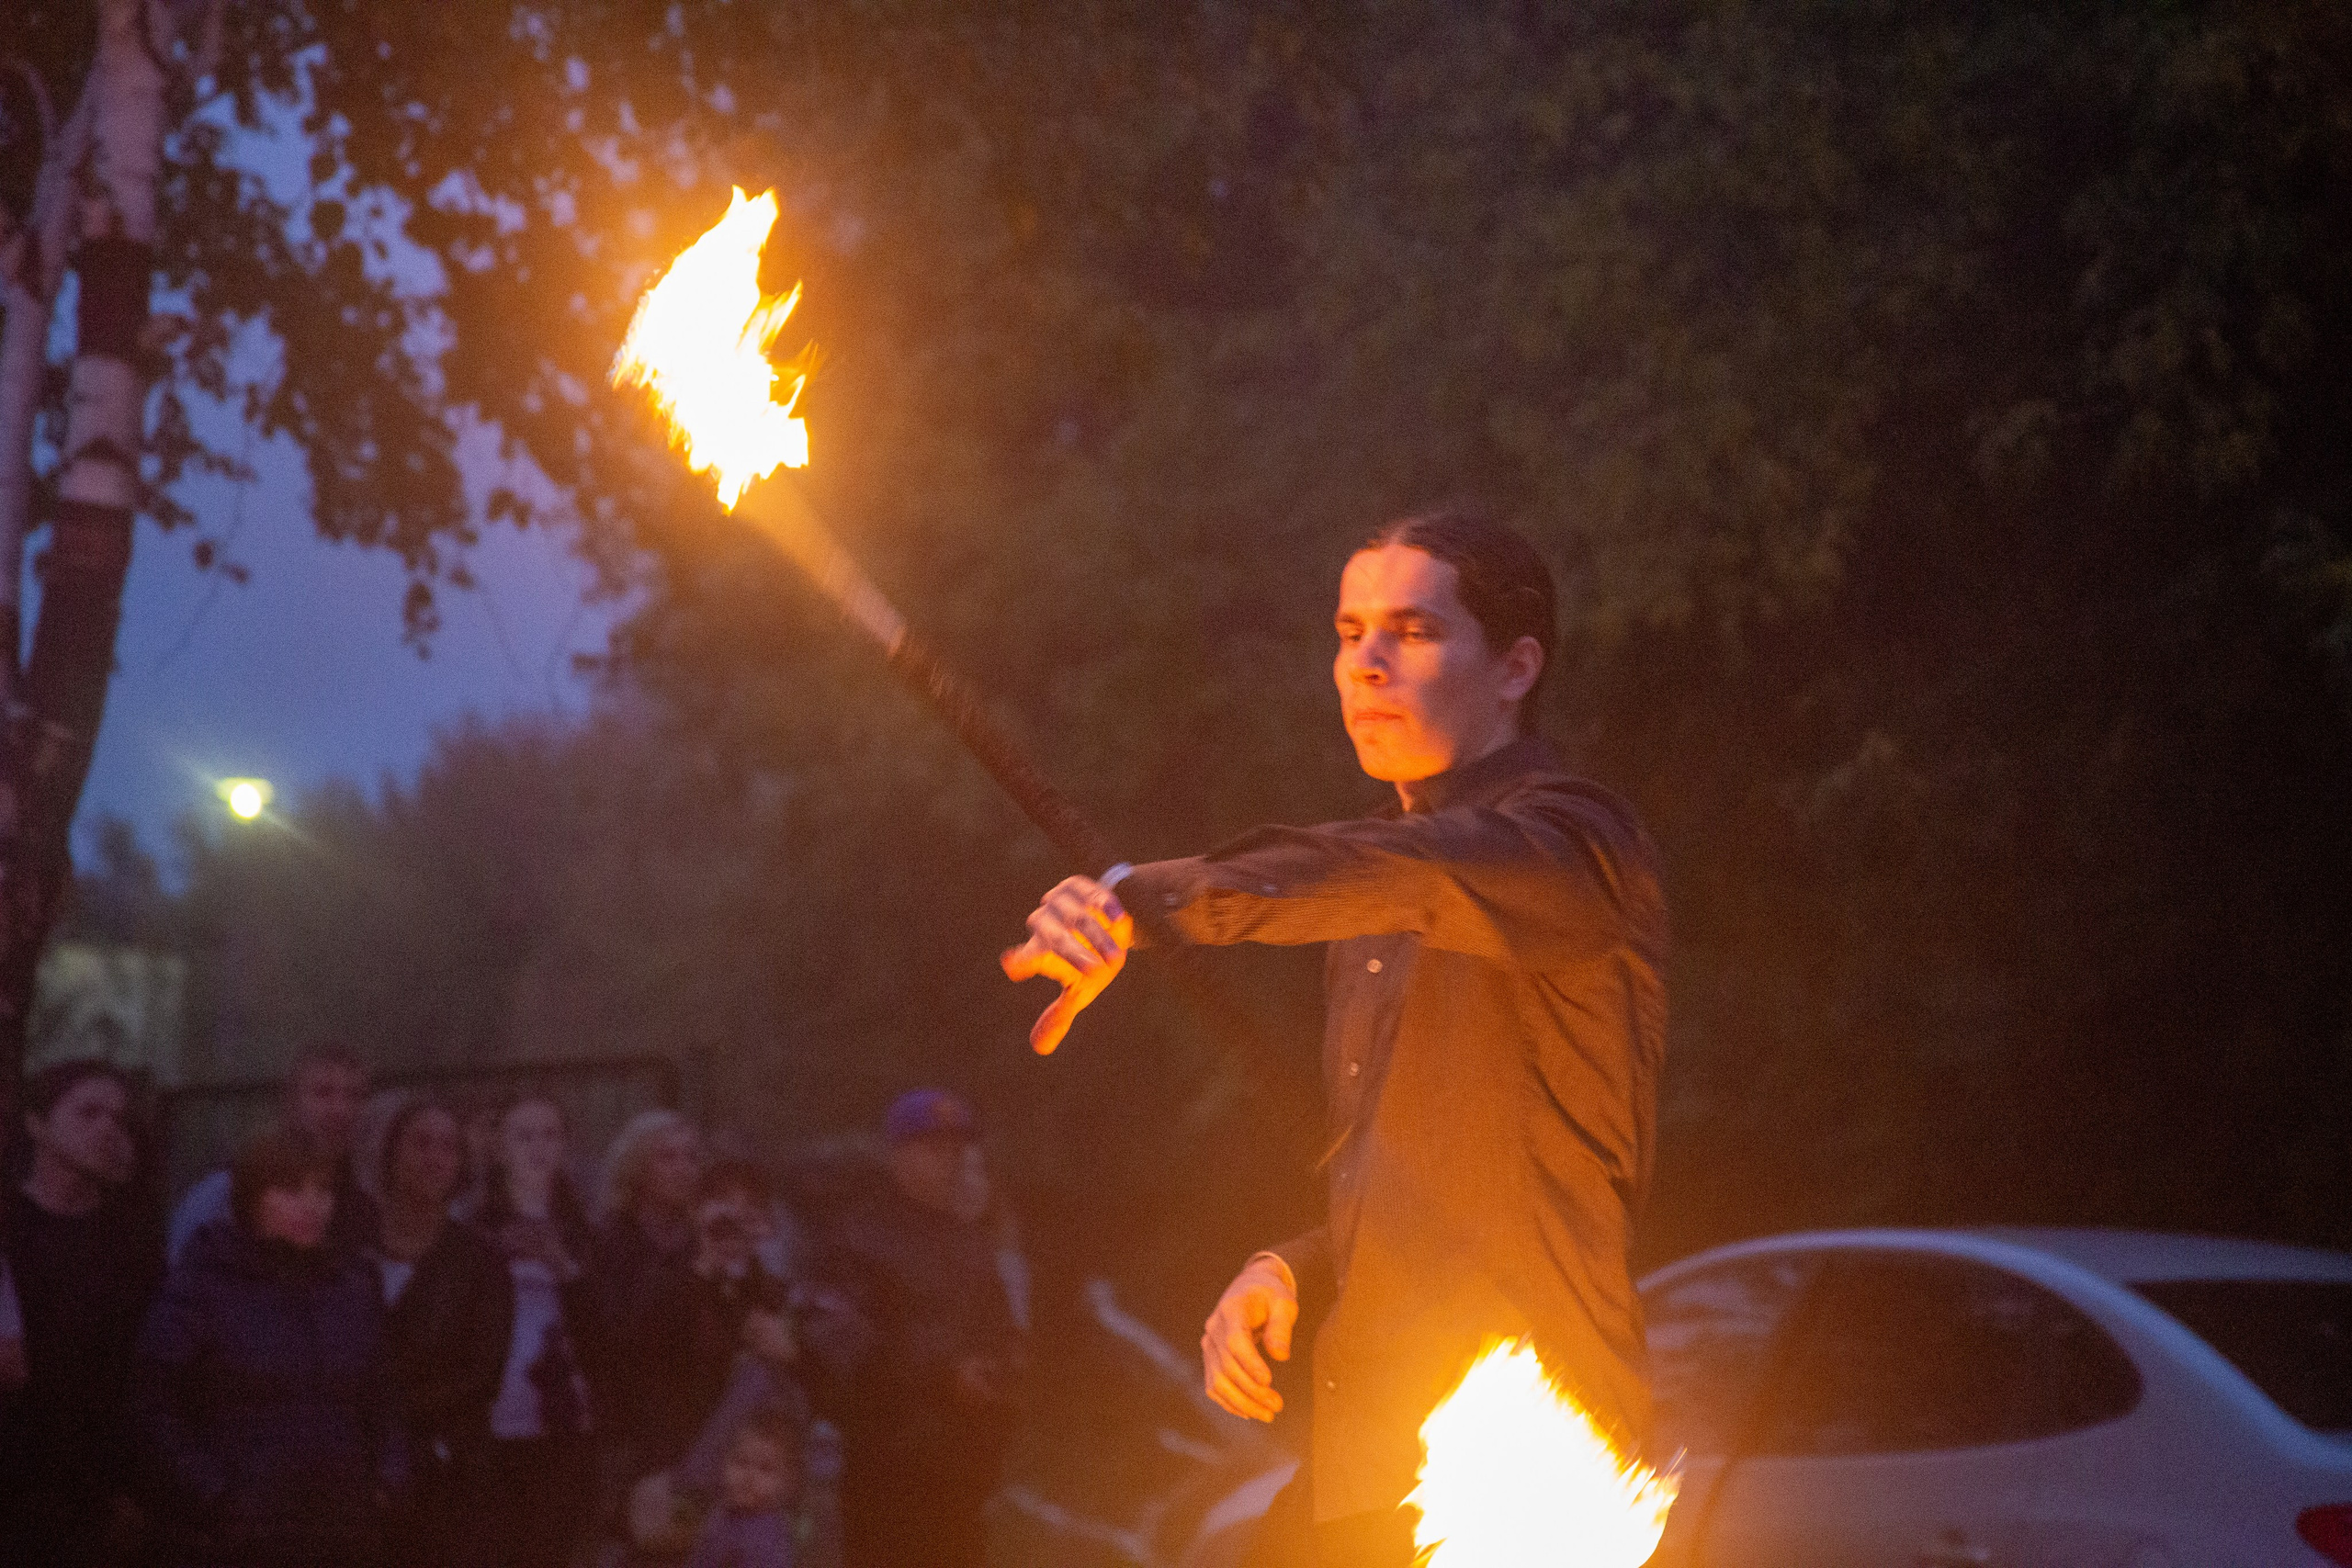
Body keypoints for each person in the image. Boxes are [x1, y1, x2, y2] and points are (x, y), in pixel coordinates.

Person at [1001, 506, 1669, 1566]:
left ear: (1515, 667)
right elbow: (1421, 1191)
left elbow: (1415, 872)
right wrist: (1295, 1266)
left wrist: (1149, 899)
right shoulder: (1367, 912)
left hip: (1532, 1485)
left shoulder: (1574, 849)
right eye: (1347, 631)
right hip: (1377, 1462)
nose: (1363, 664)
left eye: (1410, 631)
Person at [135, 1127, 400, 1568]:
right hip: (243, 1536)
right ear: (253, 1197)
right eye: (291, 1189)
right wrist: (216, 1495)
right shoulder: (203, 1282)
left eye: (323, 1190)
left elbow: (383, 1394)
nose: (313, 1205)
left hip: (344, 1528)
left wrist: (389, 1479)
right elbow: (154, 1404)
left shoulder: (353, 1284)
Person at [812, 1089, 1025, 1568]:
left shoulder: (969, 1236)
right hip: (888, 1462)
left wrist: (1000, 1371)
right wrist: (944, 1375)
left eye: (956, 1150)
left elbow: (996, 1324)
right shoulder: (856, 1236)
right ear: (897, 1155)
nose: (948, 1161)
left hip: (962, 1461)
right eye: (934, 1148)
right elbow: (847, 1346)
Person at [0, 1059, 164, 1567]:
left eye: (117, 1118)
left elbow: (148, 1370)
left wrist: (134, 1486)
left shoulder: (133, 1238)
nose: (107, 1129)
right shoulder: (8, 1223)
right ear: (37, 1123)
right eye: (88, 1112)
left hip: (94, 1488)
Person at [369, 1094, 514, 1567]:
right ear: (392, 1154)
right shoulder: (349, 1246)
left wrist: (388, 1415)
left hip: (445, 1475)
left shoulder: (481, 1262)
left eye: (448, 1147)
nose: (434, 1158)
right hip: (350, 1470)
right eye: (421, 1143)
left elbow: (481, 1375)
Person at [465, 1095, 604, 1568]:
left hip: (566, 1417)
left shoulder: (584, 1228)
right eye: (524, 1136)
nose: (539, 1148)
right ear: (500, 1150)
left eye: (550, 1135)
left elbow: (604, 1332)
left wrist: (564, 1267)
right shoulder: (473, 1228)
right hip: (495, 1416)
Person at [168, 1043, 376, 1262]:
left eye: (355, 1095)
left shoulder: (366, 1205)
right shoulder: (223, 1193)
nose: (340, 1109)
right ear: (290, 1103)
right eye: (323, 1093)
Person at [593, 1109, 706, 1475]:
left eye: (690, 1157)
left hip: (697, 1422)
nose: (682, 1168)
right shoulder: (608, 1240)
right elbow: (617, 1334)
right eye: (667, 1157)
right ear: (637, 1166)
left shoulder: (705, 1239)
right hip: (625, 1428)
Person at [684, 1403, 801, 1568]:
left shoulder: (771, 1535)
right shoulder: (720, 1514)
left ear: (785, 1482)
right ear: (724, 1461)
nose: (749, 1477)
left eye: (765, 1469)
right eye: (741, 1462)